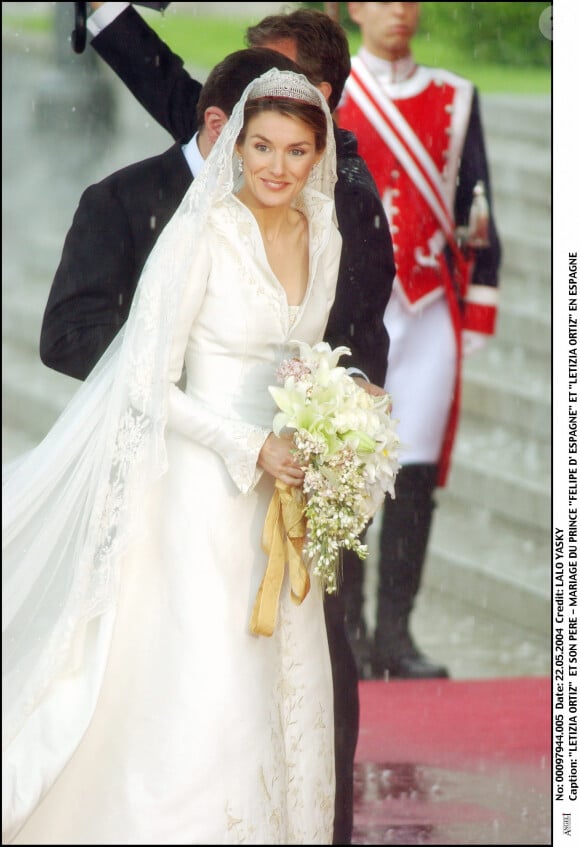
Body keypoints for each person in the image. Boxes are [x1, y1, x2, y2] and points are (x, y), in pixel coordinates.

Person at [42, 6, 397, 843]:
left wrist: (345, 421)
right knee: (208, 684)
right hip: (199, 491)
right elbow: (140, 375)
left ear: (324, 143)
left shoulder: (332, 225)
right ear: (233, 137)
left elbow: (332, 348)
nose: (278, 164)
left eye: (298, 149)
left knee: (297, 681)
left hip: (292, 496)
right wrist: (252, 444)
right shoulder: (203, 233)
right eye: (261, 145)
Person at [337, 2, 502, 680]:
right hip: (356, 307)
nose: (398, 12)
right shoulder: (336, 88)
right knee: (348, 468)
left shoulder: (456, 97)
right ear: (354, 9)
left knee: (416, 471)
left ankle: (396, 635)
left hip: (431, 307)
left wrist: (481, 310)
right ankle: (347, 626)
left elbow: (477, 205)